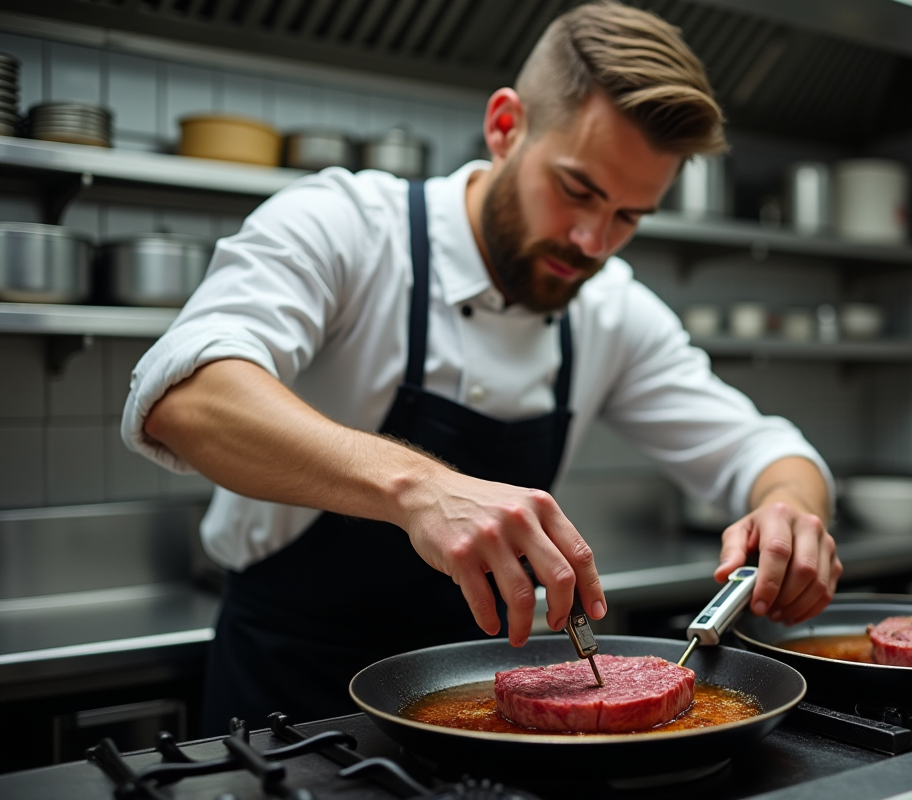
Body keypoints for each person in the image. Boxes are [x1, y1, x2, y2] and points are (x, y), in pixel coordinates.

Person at [123, 1, 842, 735]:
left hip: (482, 710)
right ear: (505, 127)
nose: (593, 241)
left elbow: (766, 451)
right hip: (287, 698)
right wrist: (421, 489)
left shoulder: (613, 311)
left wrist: (791, 511)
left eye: (630, 216)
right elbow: (186, 395)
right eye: (577, 190)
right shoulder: (345, 225)